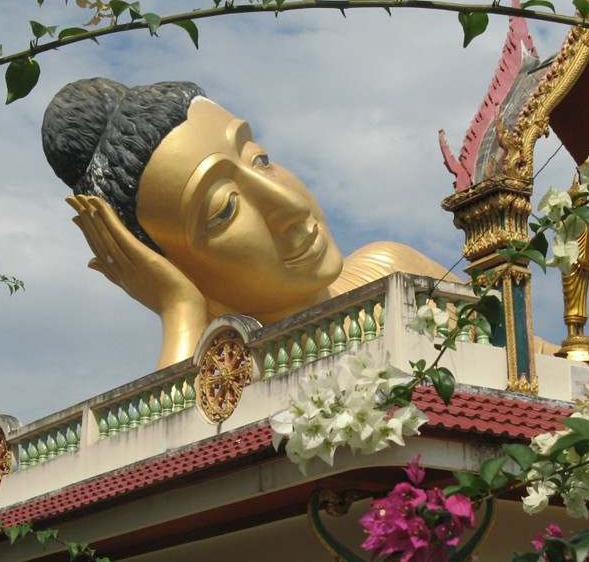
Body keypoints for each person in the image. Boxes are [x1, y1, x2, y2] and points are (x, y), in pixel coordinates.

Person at [42, 78, 457, 369]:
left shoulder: (390, 269)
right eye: (224, 209)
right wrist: (180, 309)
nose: (292, 205)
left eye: (260, 159)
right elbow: (177, 473)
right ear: (160, 263)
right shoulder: (235, 378)